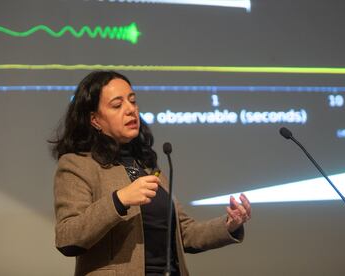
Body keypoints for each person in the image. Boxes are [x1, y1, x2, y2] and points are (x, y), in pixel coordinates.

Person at [50, 71, 252, 276]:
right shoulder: (78, 164)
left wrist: (229, 225)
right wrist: (119, 200)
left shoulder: (145, 165)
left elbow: (184, 233)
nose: (130, 110)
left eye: (133, 101)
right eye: (117, 105)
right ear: (94, 120)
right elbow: (68, 236)